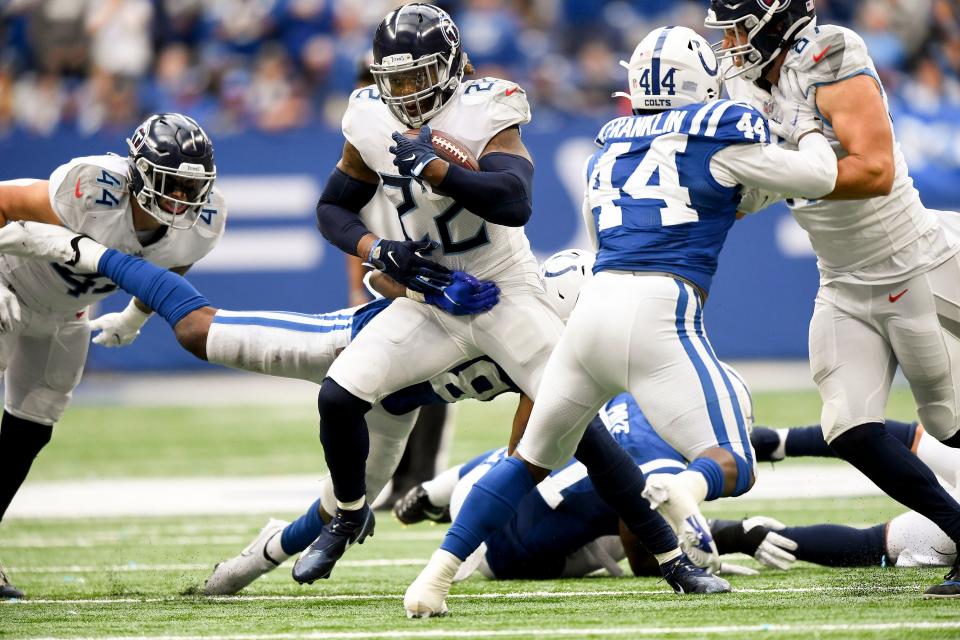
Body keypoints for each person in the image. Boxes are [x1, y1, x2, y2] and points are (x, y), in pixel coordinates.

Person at [403, 24, 839, 617]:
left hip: (593, 312)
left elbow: (607, 232)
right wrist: (810, 127)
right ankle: (679, 489)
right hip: (661, 313)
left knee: (526, 460)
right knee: (733, 458)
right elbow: (819, 178)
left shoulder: (609, 149)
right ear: (701, 86)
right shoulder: (722, 135)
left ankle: (433, 579)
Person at [309, 3, 707, 593]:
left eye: (419, 77)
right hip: (429, 295)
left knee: (575, 423)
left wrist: (437, 169)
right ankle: (344, 516)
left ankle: (673, 559)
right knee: (340, 397)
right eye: (397, 81)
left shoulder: (485, 106)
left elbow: (514, 200)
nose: (408, 93)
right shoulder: (367, 114)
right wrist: (376, 250)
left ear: (449, 67)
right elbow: (332, 208)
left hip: (503, 289)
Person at [706, 0, 960, 598]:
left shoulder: (830, 53)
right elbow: (760, 182)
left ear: (777, 19)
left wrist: (785, 168)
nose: (733, 42)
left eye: (741, 27)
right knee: (847, 426)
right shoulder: (742, 81)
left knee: (948, 422)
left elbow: (873, 168)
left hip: (912, 264)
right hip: (842, 280)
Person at [0, 112, 223, 600]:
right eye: (171, 184)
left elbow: (172, 266)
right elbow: (3, 202)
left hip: (66, 310)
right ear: (138, 172)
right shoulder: (93, 185)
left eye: (193, 189)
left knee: (34, 422)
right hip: (9, 277)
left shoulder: (202, 223)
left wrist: (135, 315)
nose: (182, 200)